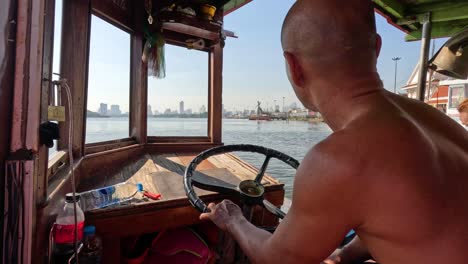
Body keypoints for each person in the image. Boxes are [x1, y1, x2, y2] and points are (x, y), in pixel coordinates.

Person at [200, 0, 468, 263]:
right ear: (376, 48)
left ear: (294, 68)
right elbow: (405, 215)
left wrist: (233, 220)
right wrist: (343, 256)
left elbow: (278, 258)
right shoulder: (435, 120)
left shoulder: (338, 159)